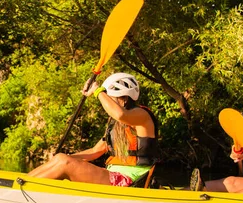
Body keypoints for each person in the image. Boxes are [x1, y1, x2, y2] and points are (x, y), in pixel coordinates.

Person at [27, 73, 158, 187]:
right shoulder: (116, 124)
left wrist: (97, 90)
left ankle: (23, 188)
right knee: (61, 158)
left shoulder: (142, 115)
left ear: (123, 99)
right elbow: (95, 151)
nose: (105, 103)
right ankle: (23, 182)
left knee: (64, 162)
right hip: (113, 175)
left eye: (109, 98)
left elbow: (120, 114)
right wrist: (65, 158)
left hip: (130, 180)